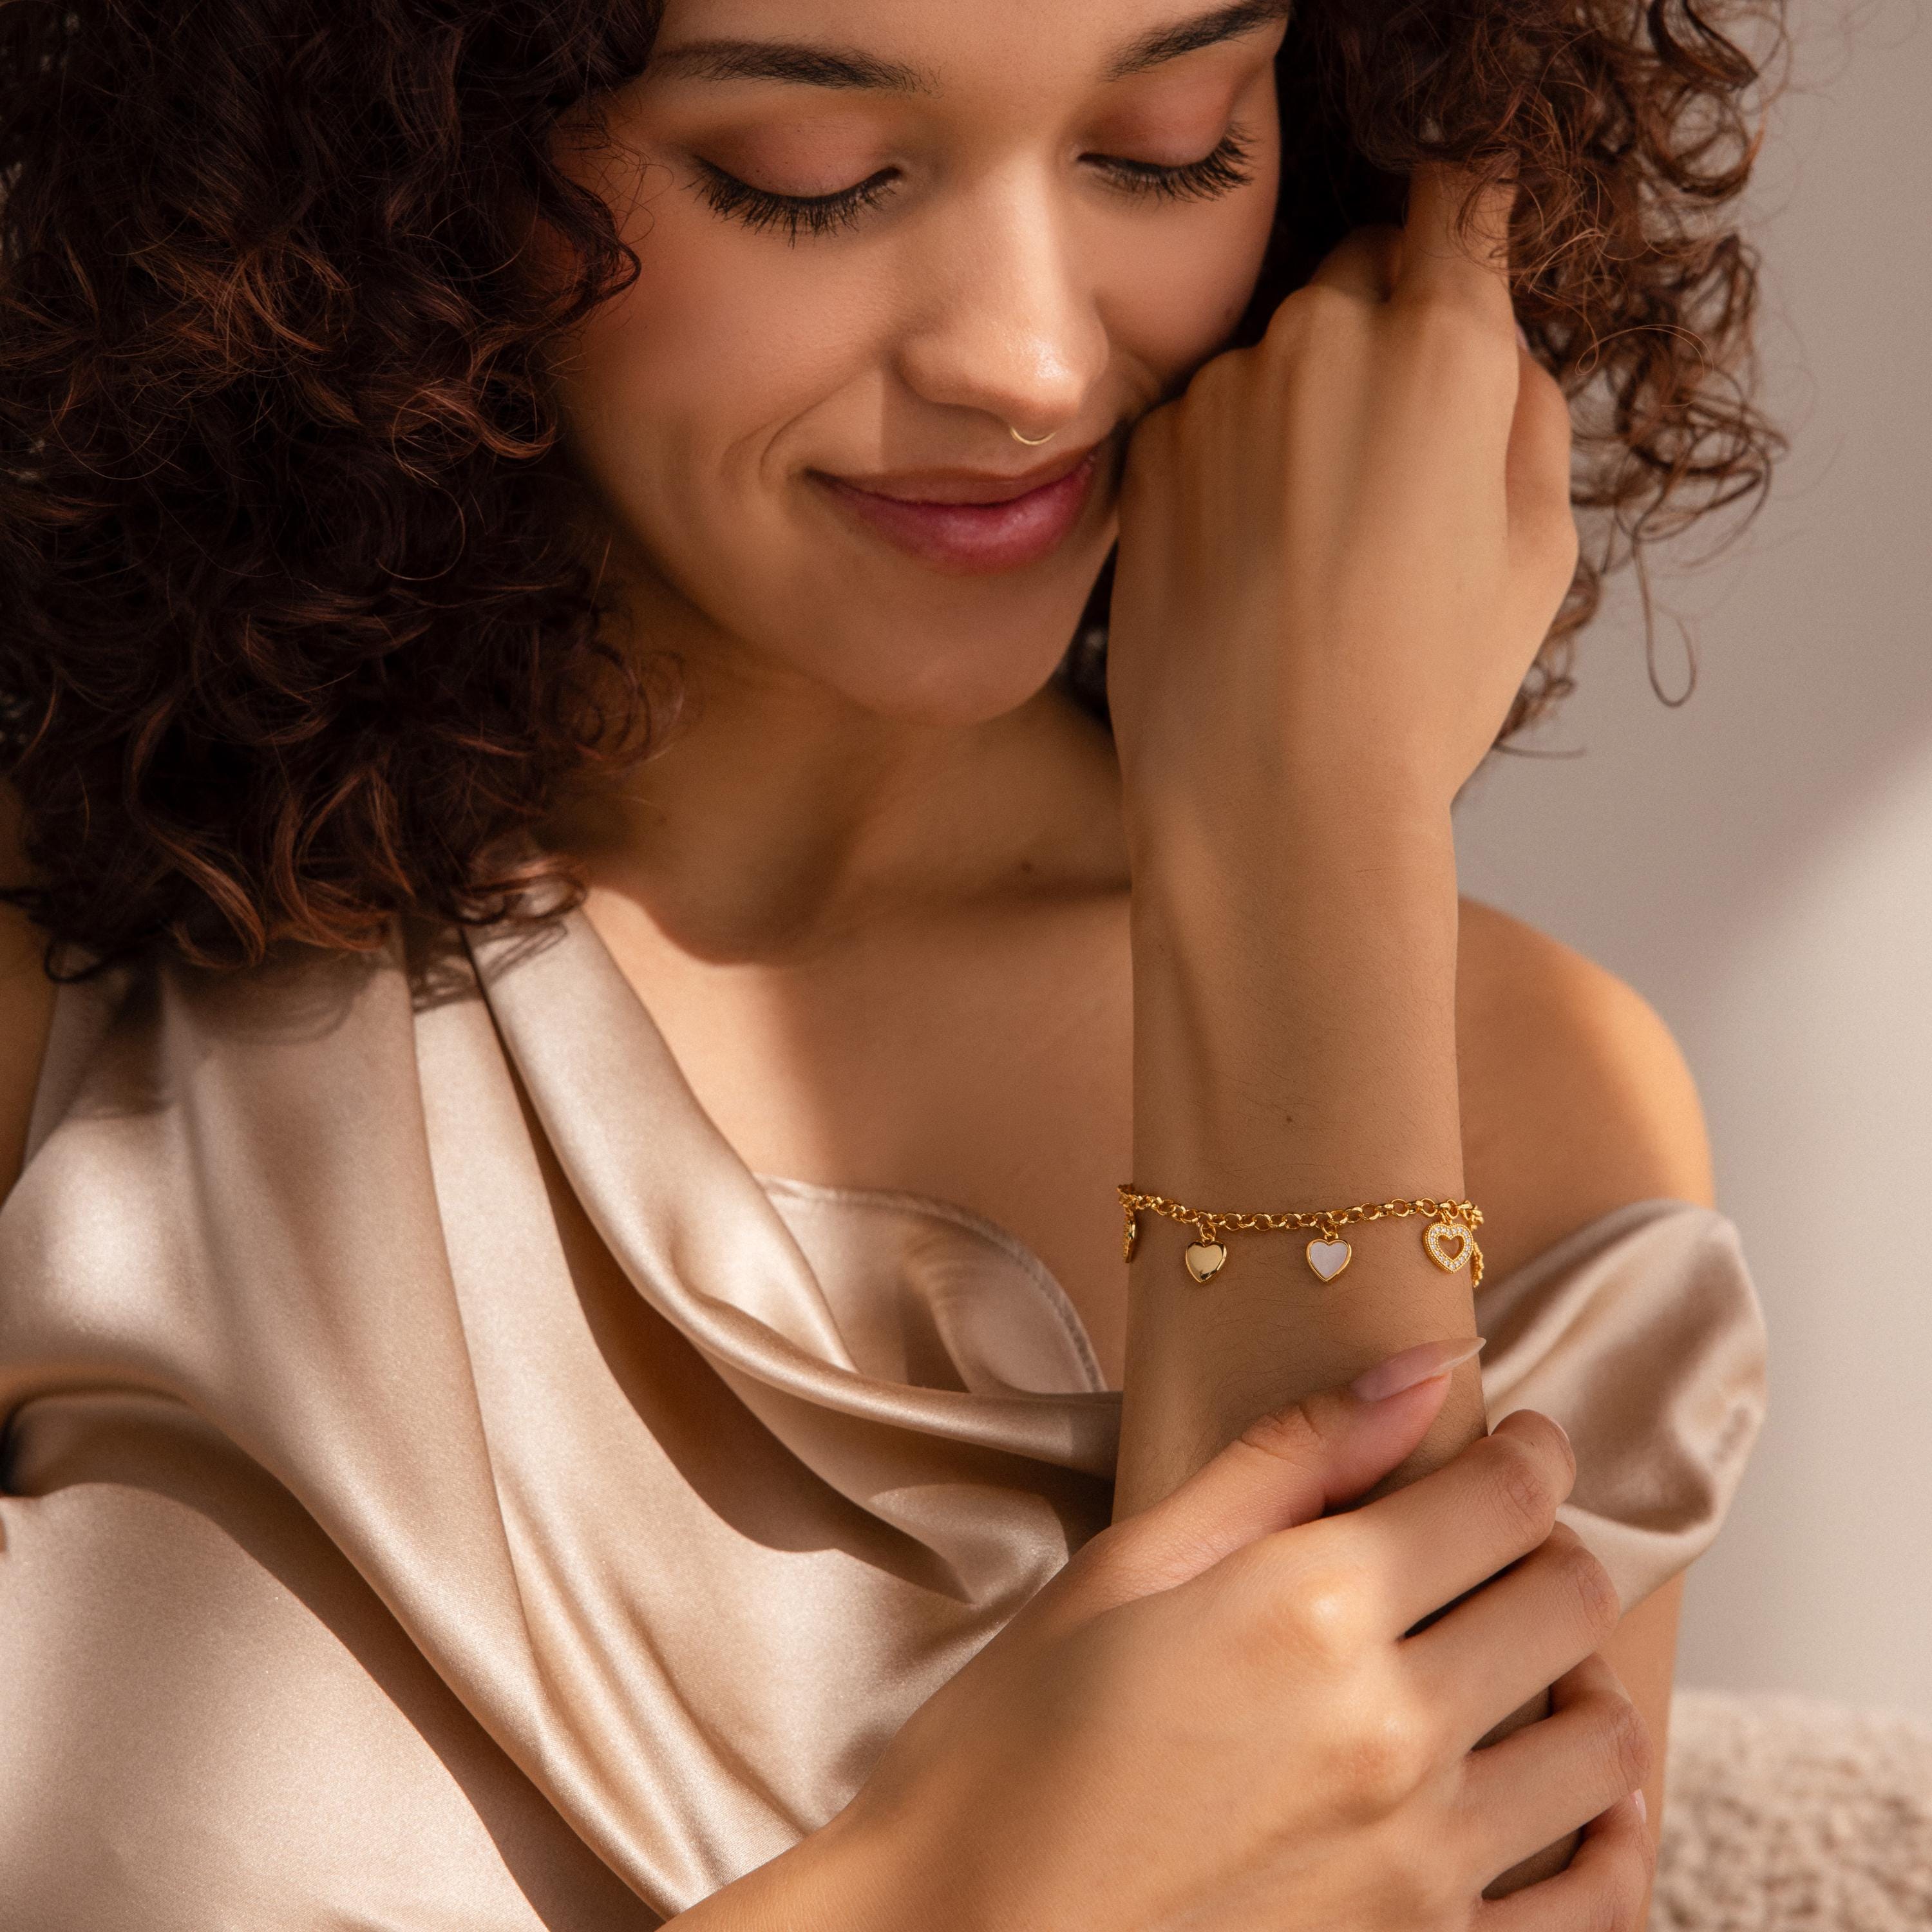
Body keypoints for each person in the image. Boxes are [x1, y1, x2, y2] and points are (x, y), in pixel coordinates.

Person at [0, 1, 1777, 1925]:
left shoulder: (1528, 1103)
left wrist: (1309, 864)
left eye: (1169, 142)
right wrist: (971, 1887)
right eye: (811, 181)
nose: (1023, 365)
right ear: (403, 162)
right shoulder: (70, 997)